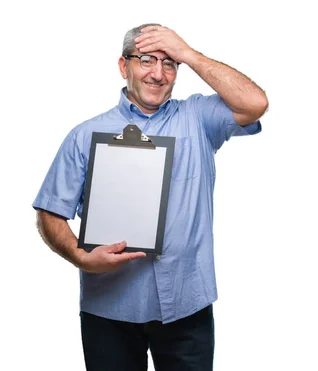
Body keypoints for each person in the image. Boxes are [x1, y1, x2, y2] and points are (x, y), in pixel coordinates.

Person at [33, 23, 268, 371]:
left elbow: (255, 103)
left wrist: (188, 53)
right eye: (146, 60)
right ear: (123, 66)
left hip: (187, 304)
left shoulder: (198, 118)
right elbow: (50, 212)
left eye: (169, 62)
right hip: (109, 308)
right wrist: (80, 257)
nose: (158, 73)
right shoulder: (84, 136)